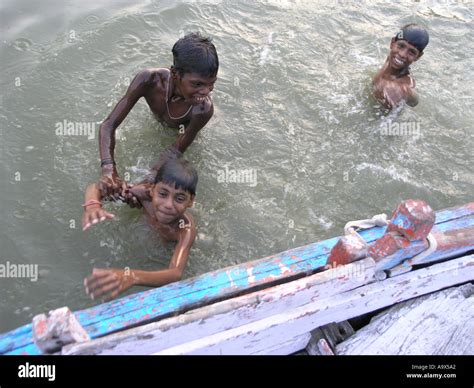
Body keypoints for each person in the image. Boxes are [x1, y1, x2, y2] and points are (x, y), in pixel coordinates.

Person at [99, 32, 218, 198]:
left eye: (211, 84)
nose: (205, 92)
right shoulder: (148, 80)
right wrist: (108, 170)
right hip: (160, 121)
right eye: (197, 84)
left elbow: (174, 151)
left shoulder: (203, 110)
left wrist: (148, 180)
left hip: (182, 134)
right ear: (175, 74)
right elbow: (108, 125)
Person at [82, 158, 197, 301]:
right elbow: (95, 188)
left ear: (191, 201)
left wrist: (132, 276)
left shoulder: (185, 229)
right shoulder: (143, 195)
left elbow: (175, 273)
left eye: (179, 199)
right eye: (163, 194)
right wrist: (93, 206)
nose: (168, 204)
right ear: (153, 190)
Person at [373, 24, 429, 109]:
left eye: (412, 52)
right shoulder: (390, 59)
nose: (402, 54)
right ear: (392, 43)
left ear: (418, 57)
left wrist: (406, 92)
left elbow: (414, 100)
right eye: (401, 46)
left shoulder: (404, 83)